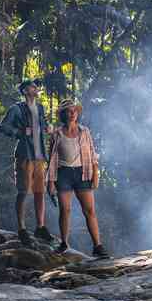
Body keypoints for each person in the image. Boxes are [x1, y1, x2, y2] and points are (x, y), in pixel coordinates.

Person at [46, 100, 110, 258]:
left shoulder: (84, 131)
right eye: (69, 111)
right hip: (63, 174)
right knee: (65, 210)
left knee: (89, 211)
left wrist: (95, 174)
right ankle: (64, 243)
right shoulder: (57, 133)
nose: (73, 113)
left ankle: (98, 246)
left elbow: (93, 154)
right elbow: (51, 159)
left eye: (74, 110)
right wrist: (50, 181)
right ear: (64, 114)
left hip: (82, 173)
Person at [0, 79, 56, 246]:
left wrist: (47, 128)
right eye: (32, 86)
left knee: (39, 192)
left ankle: (40, 227)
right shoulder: (16, 109)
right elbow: (3, 127)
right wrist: (21, 131)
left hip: (39, 157)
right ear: (24, 91)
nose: (36, 88)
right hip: (25, 155)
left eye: (36, 87)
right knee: (23, 191)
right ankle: (22, 229)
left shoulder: (40, 108)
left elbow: (42, 125)